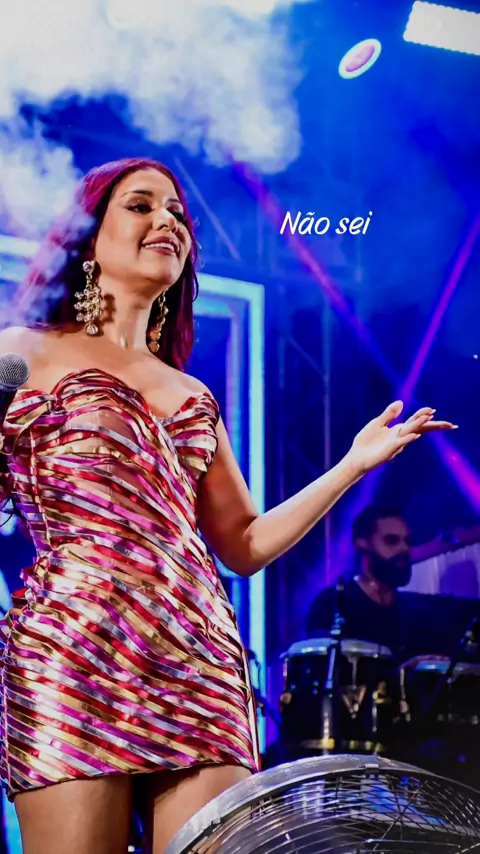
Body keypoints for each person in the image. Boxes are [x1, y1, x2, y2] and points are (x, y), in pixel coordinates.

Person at [0, 157, 456, 854]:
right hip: (74, 649)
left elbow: (243, 543)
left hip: (199, 655)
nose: (167, 222)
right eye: (141, 206)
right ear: (87, 239)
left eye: (177, 214)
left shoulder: (193, 395)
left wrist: (351, 466)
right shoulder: (18, 354)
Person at [306, 505, 480, 660]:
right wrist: (399, 675)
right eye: (391, 540)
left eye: (407, 541)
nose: (404, 548)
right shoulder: (333, 603)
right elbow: (323, 669)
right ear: (362, 544)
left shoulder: (417, 611)